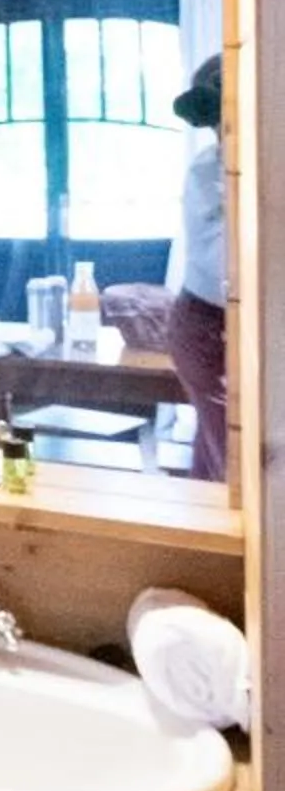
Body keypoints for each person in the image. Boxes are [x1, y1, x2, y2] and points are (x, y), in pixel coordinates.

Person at [165, 53, 228, 482]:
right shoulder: (210, 171)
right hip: (206, 327)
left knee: (214, 447)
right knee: (233, 452)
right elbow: (230, 260)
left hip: (225, 325)